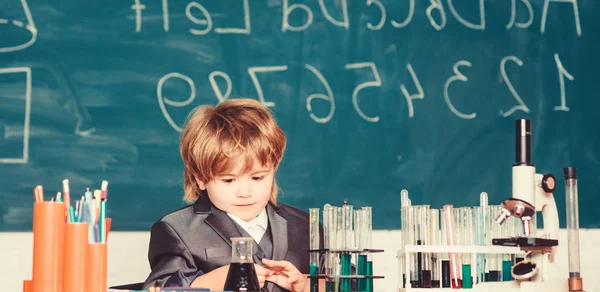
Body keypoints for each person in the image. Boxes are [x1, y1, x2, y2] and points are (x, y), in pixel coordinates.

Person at [143, 98, 318, 292]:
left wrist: (308, 285)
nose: (245, 193)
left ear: (273, 169)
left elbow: (351, 283)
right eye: (228, 180)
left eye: (258, 178)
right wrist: (210, 283)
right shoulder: (176, 230)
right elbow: (157, 288)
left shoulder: (306, 226)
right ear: (200, 178)